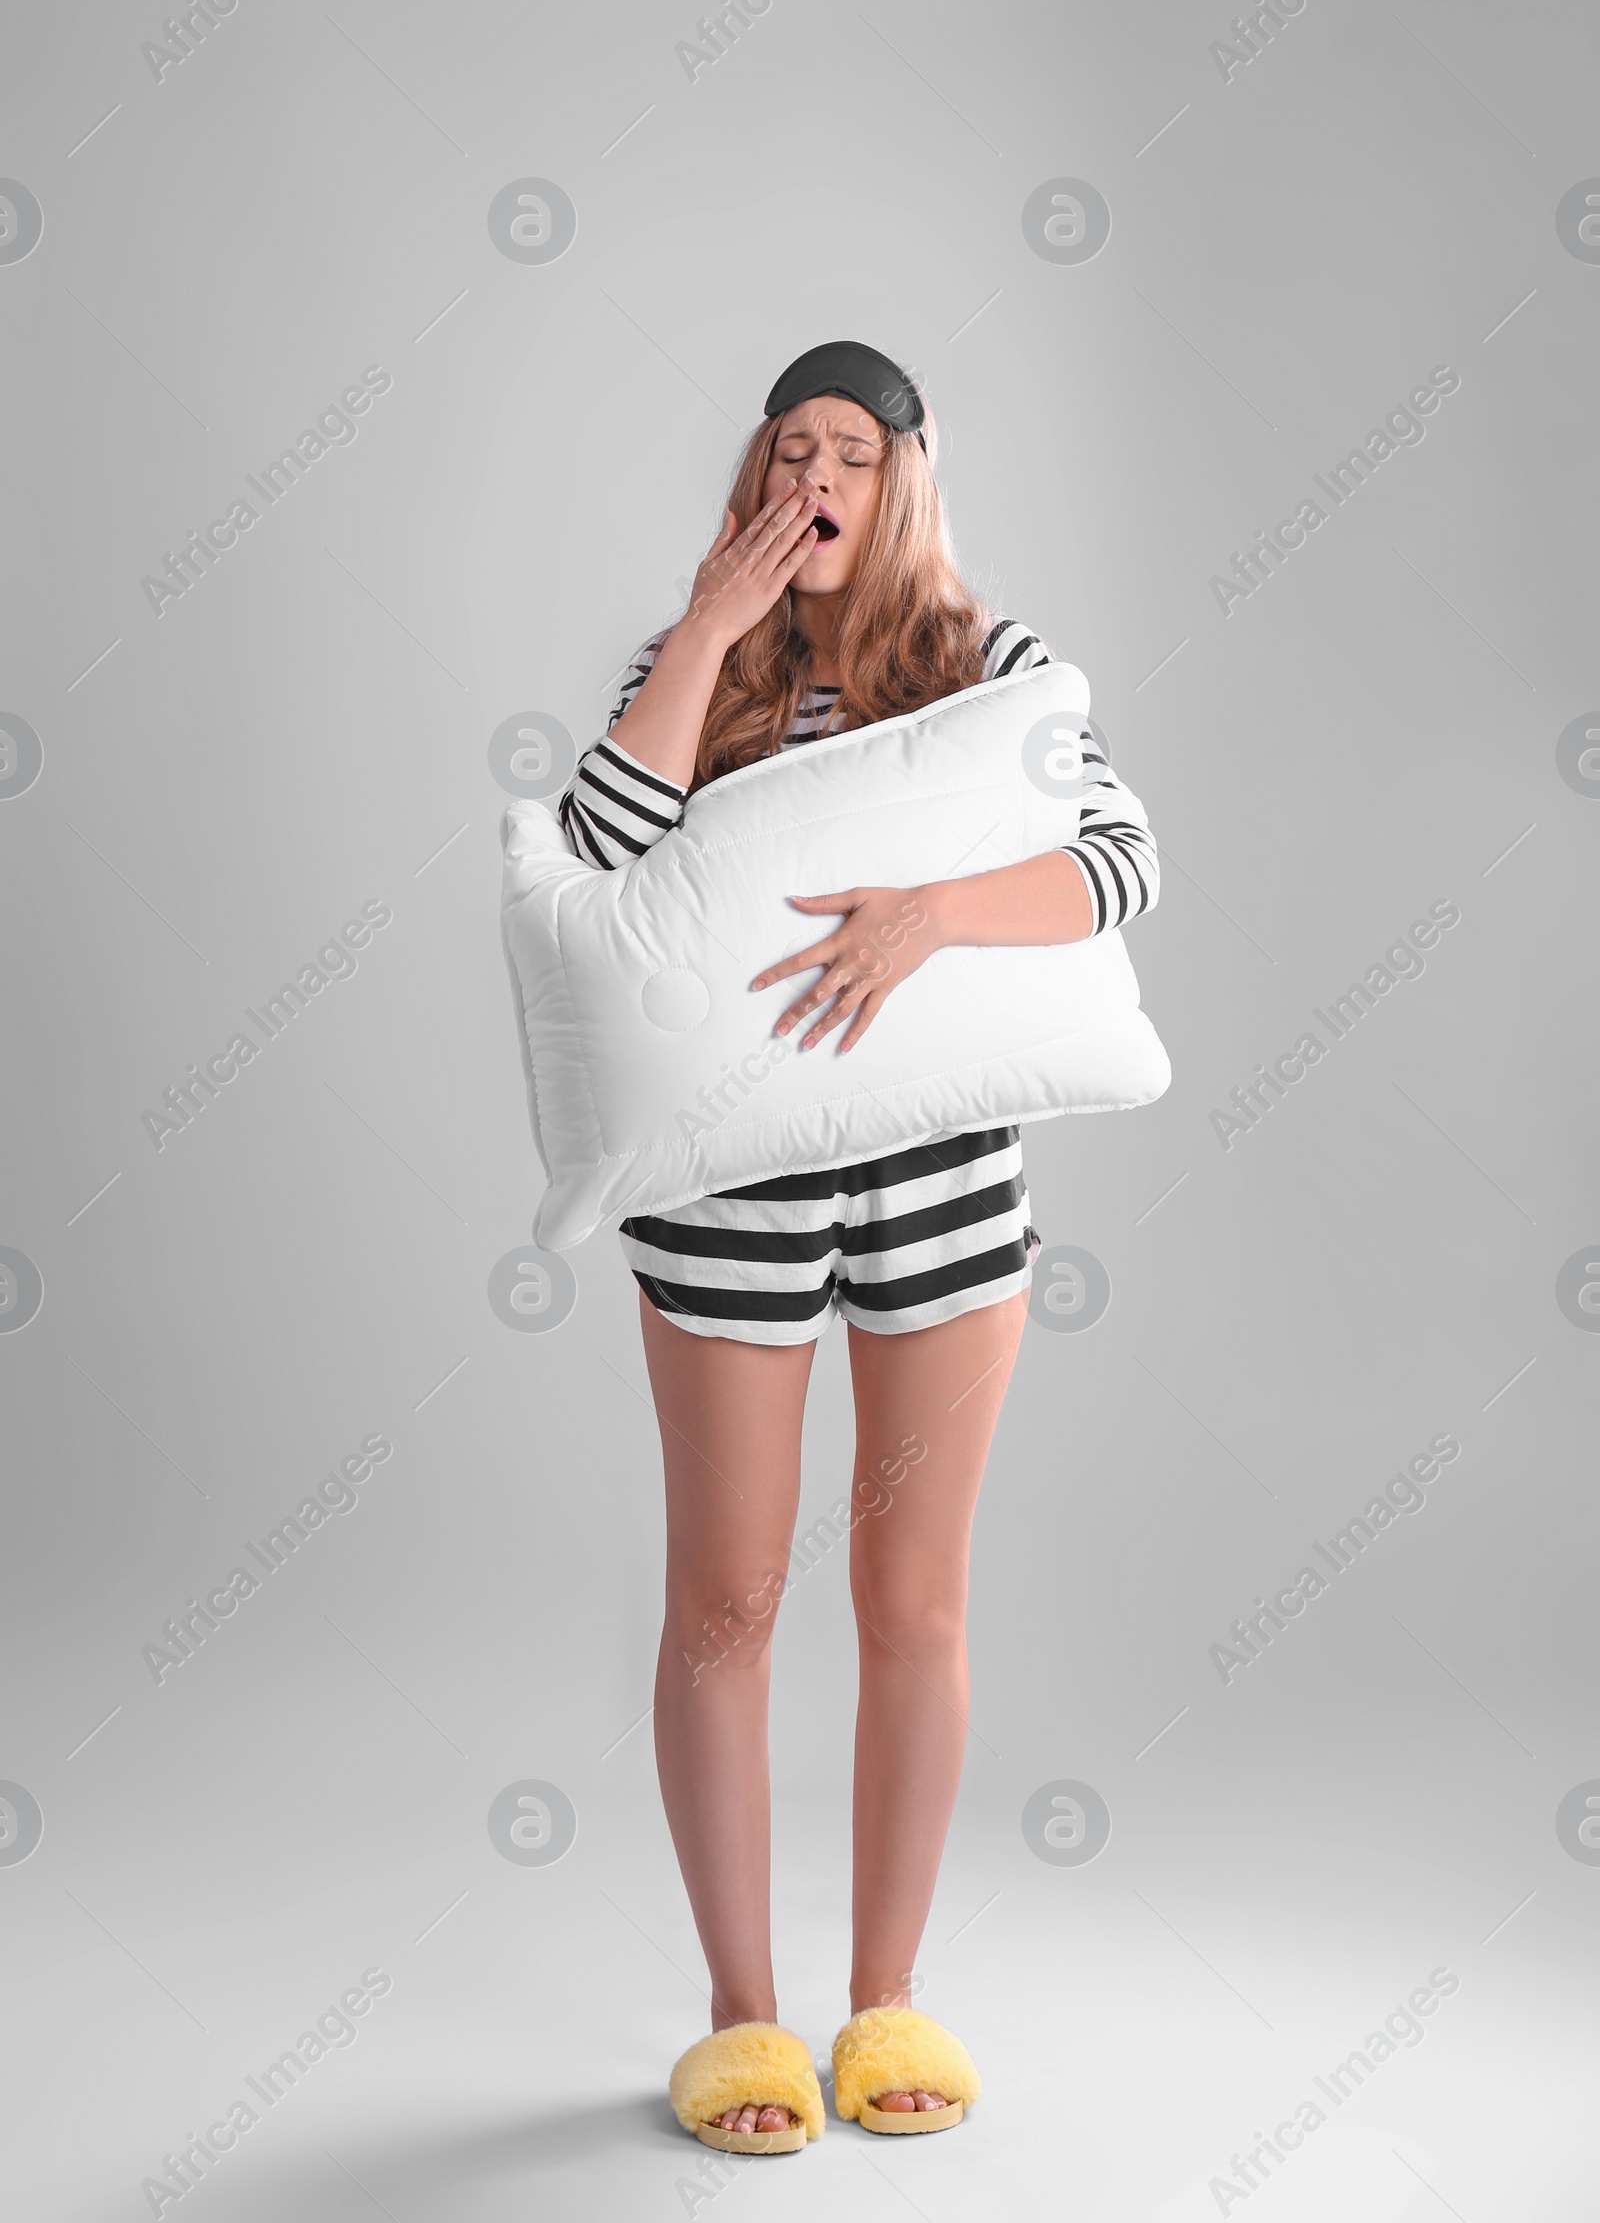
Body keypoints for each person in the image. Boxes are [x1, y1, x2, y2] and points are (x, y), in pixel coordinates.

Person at [558, 342, 1159, 2151]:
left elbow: (1120, 858)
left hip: (946, 1197)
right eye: (786, 452)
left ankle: (886, 1998)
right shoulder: (690, 670)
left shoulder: (992, 669)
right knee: (727, 1604)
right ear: (757, 485)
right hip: (727, 1216)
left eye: (850, 451)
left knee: (910, 1601)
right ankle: (745, 2025)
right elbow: (593, 859)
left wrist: (927, 920)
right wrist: (696, 630)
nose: (816, 476)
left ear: (903, 478)